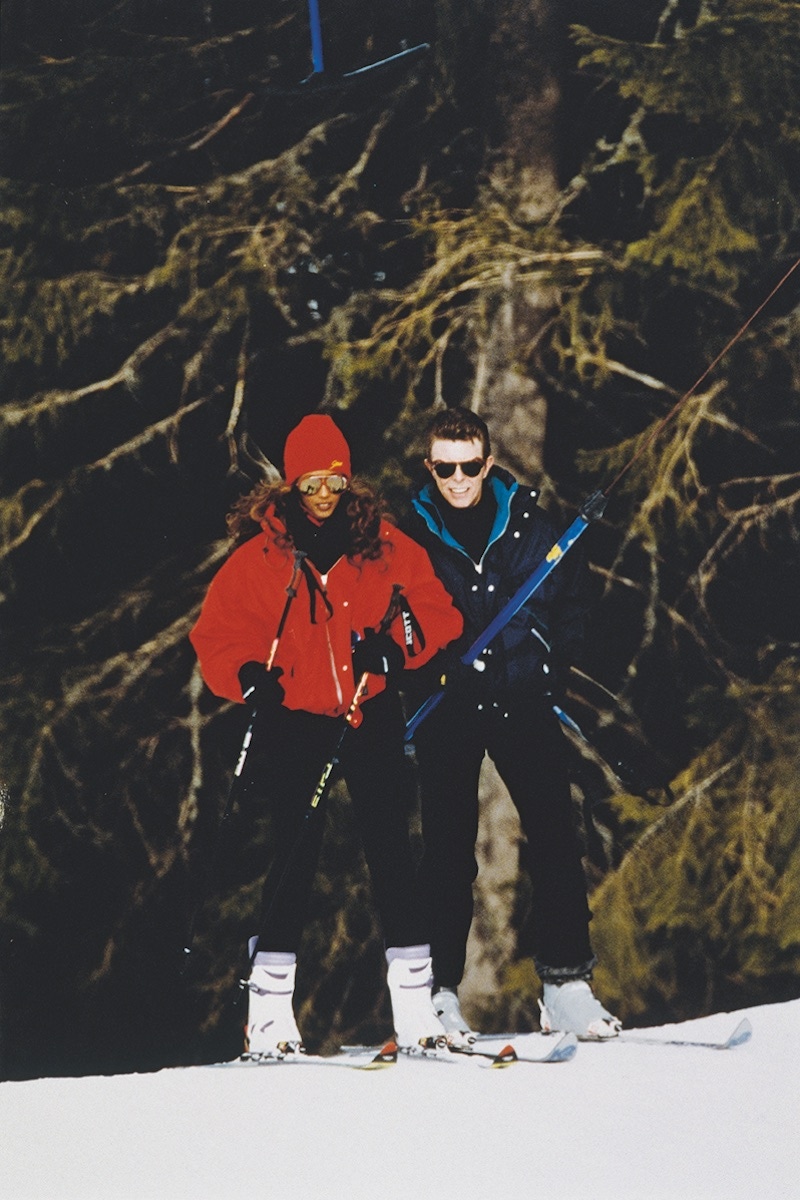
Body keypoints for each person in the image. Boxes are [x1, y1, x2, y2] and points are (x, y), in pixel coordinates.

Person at [190, 414, 463, 1056]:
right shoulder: (261, 556)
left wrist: (395, 652)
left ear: (347, 481)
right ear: (291, 483)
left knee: (392, 852)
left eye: (333, 481)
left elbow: (437, 613)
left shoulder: (384, 544)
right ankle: (269, 1018)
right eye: (310, 481)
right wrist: (249, 675)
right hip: (297, 720)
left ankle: (417, 1011)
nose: (322, 494)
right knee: (293, 857)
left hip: (366, 717)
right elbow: (217, 636)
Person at [407, 406, 620, 1041]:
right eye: (445, 468)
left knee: (556, 833)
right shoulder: (411, 536)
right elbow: (397, 617)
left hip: (521, 699)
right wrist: (429, 669)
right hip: (448, 709)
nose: (458, 479)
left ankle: (566, 984)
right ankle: (439, 991)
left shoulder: (530, 524)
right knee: (447, 853)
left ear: (488, 463)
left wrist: (553, 665)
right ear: (430, 468)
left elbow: (571, 598)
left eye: (469, 466)